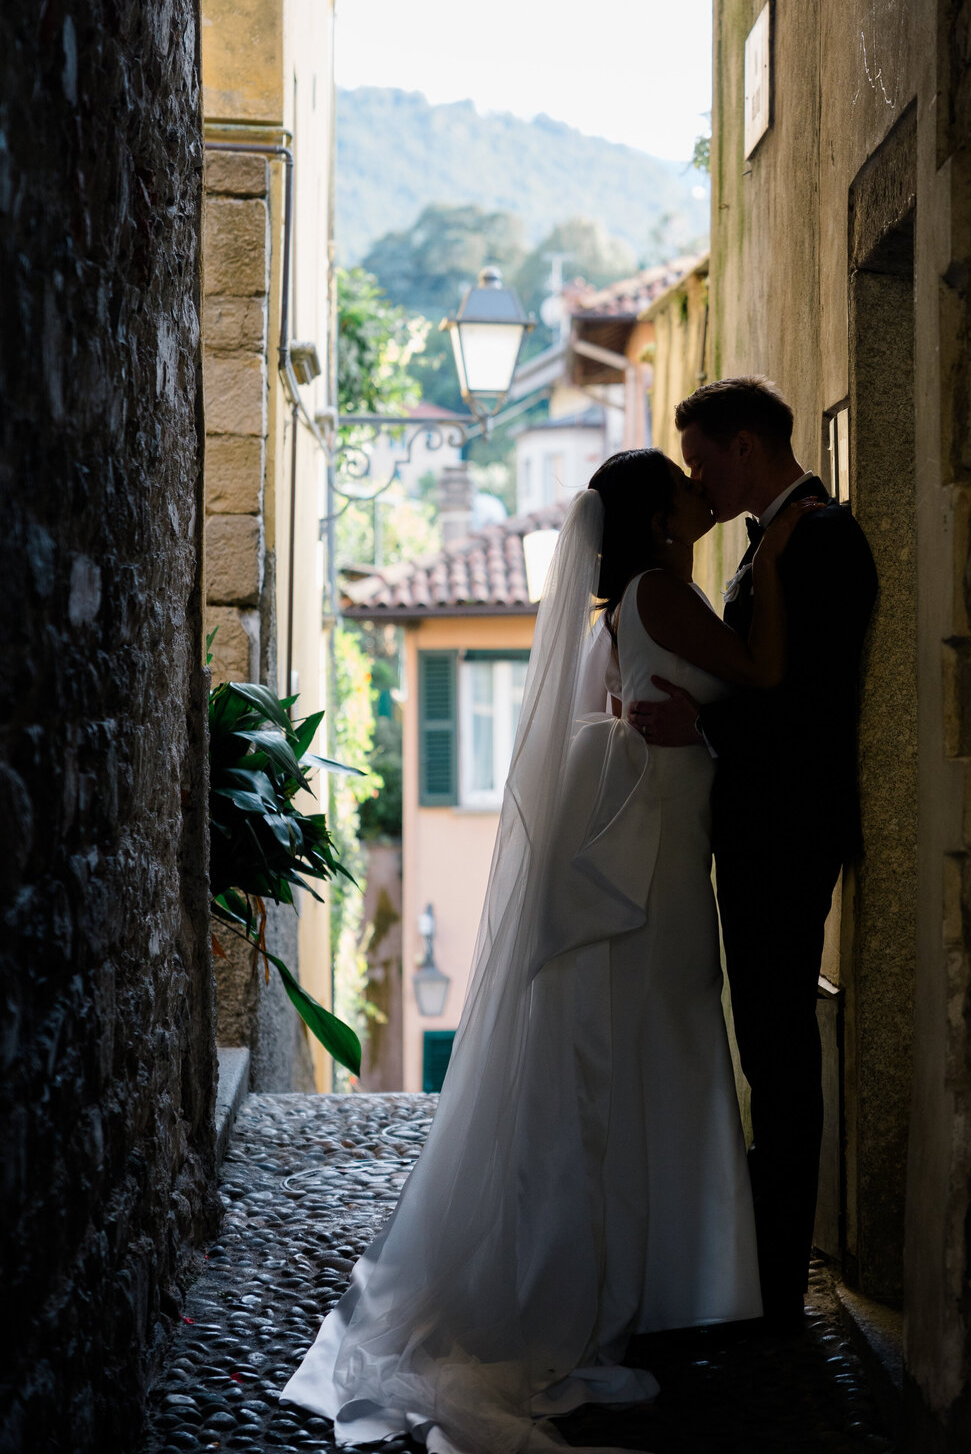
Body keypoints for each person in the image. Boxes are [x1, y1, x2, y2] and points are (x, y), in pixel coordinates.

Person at [281, 448, 814, 1454]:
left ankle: (631, 1279)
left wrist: (683, 724)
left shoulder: (619, 614)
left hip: (652, 856)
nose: (703, 494)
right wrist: (776, 564)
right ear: (659, 517)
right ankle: (649, 1284)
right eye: (686, 486)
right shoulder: (662, 588)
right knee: (665, 1049)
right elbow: (767, 674)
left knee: (638, 1058)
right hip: (656, 868)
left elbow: (631, 721)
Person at [627, 377, 877, 1324]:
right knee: (768, 1041)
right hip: (761, 826)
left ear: (743, 447)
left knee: (779, 1048)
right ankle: (767, 1268)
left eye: (701, 459)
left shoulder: (823, 539)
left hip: (788, 826)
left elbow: (802, 705)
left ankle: (776, 1282)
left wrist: (704, 722)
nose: (696, 479)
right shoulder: (778, 539)